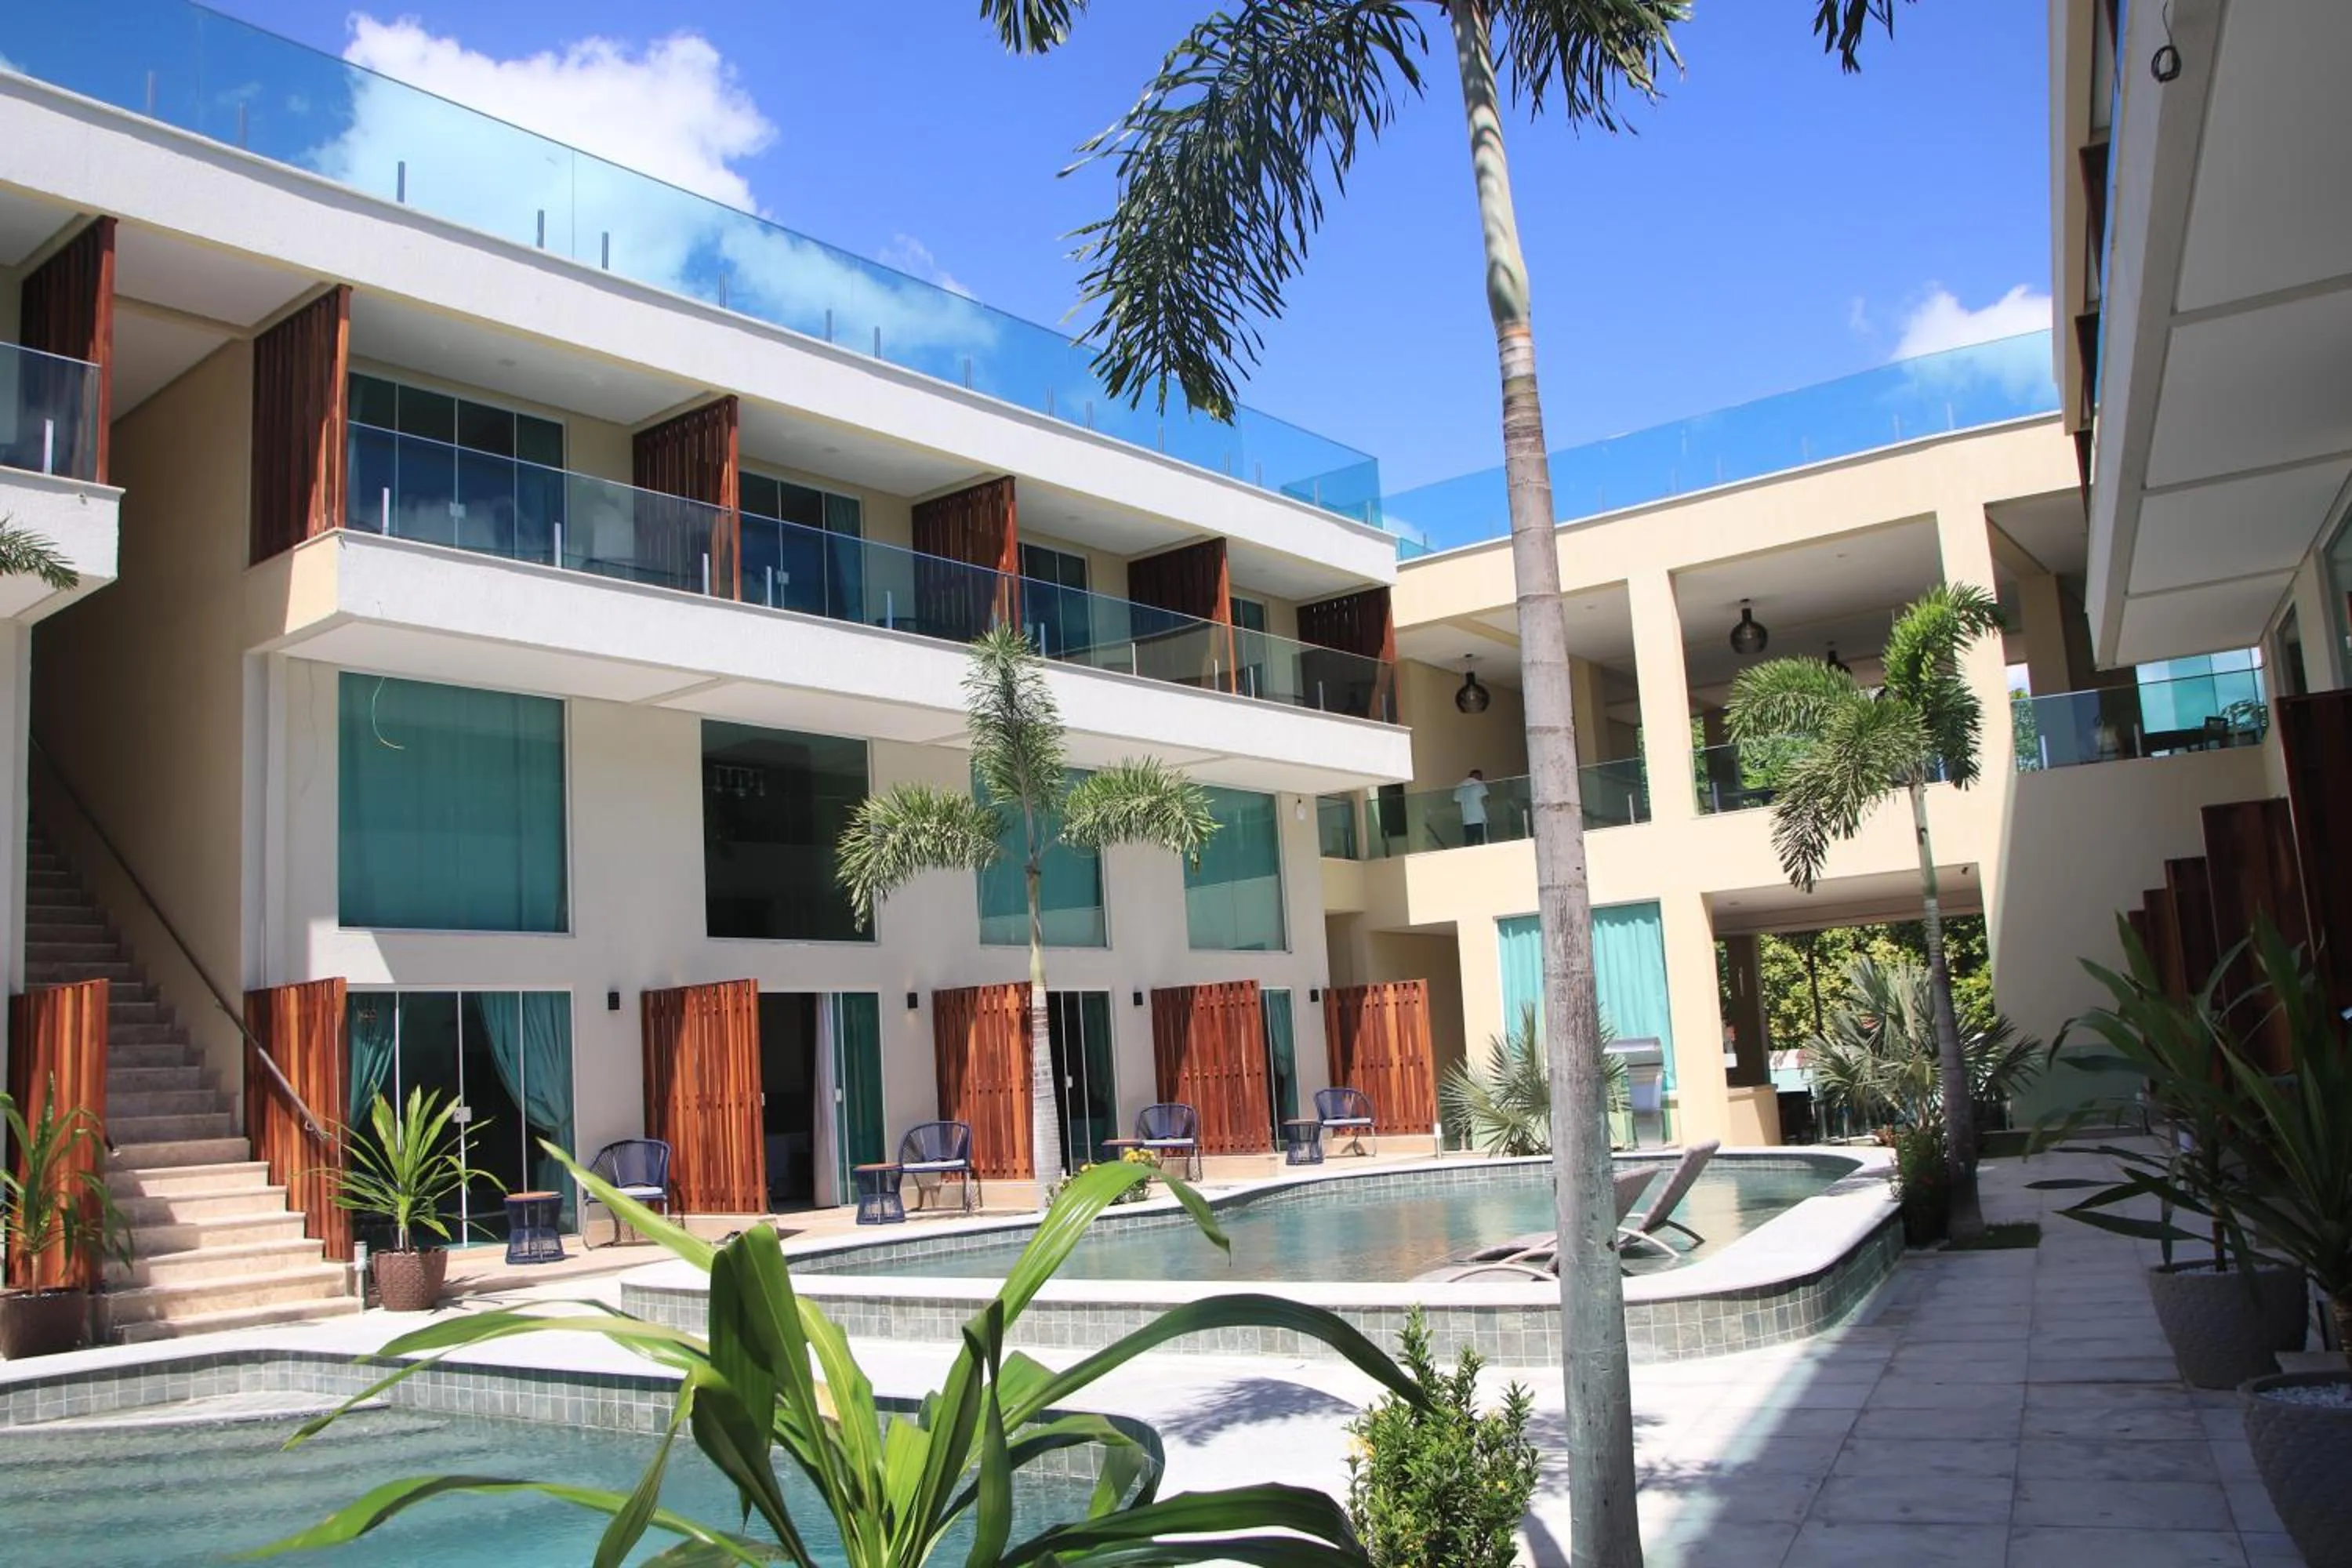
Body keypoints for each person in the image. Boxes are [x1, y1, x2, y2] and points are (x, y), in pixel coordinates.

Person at [1454, 768, 1490, 846]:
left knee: (1469, 845)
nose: (1481, 779)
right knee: (1483, 844)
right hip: (1480, 820)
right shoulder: (1479, 784)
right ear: (1477, 776)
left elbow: (1456, 802)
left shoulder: (1460, 786)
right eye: (1481, 777)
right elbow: (1486, 800)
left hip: (1467, 821)